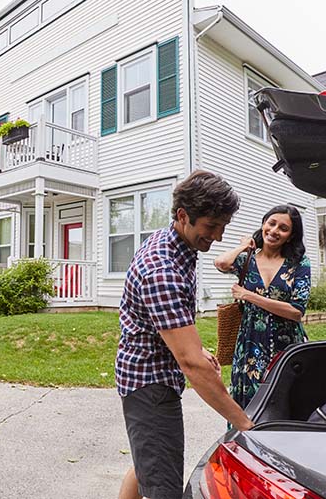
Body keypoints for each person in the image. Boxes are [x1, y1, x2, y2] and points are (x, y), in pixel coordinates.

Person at [116, 170, 254, 499]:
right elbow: (192, 365)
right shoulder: (162, 269)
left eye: (223, 226)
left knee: (145, 465)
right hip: (150, 387)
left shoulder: (175, 245)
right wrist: (246, 425)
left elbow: (170, 327)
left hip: (145, 374)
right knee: (163, 486)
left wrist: (194, 349)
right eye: (211, 226)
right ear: (183, 216)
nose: (218, 236)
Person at [214, 204, 311, 410]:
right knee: (247, 402)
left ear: (291, 236)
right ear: (263, 224)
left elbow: (296, 312)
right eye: (271, 223)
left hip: (285, 345)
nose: (275, 231)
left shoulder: (299, 263)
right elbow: (221, 263)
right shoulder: (247, 260)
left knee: (284, 401)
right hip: (250, 343)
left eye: (283, 228)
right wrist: (244, 246)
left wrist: (250, 296)